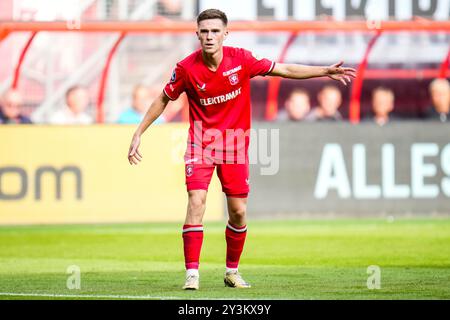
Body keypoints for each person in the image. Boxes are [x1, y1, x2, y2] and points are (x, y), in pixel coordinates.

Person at [127, 8, 355, 290]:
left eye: (215, 31)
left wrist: (323, 71)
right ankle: (192, 274)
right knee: (196, 201)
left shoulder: (242, 59)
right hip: (200, 144)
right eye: (205, 31)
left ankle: (232, 272)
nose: (209, 36)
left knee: (238, 212)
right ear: (197, 34)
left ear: (225, 33)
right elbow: (163, 98)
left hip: (235, 145)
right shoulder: (186, 68)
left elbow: (283, 69)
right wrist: (139, 132)